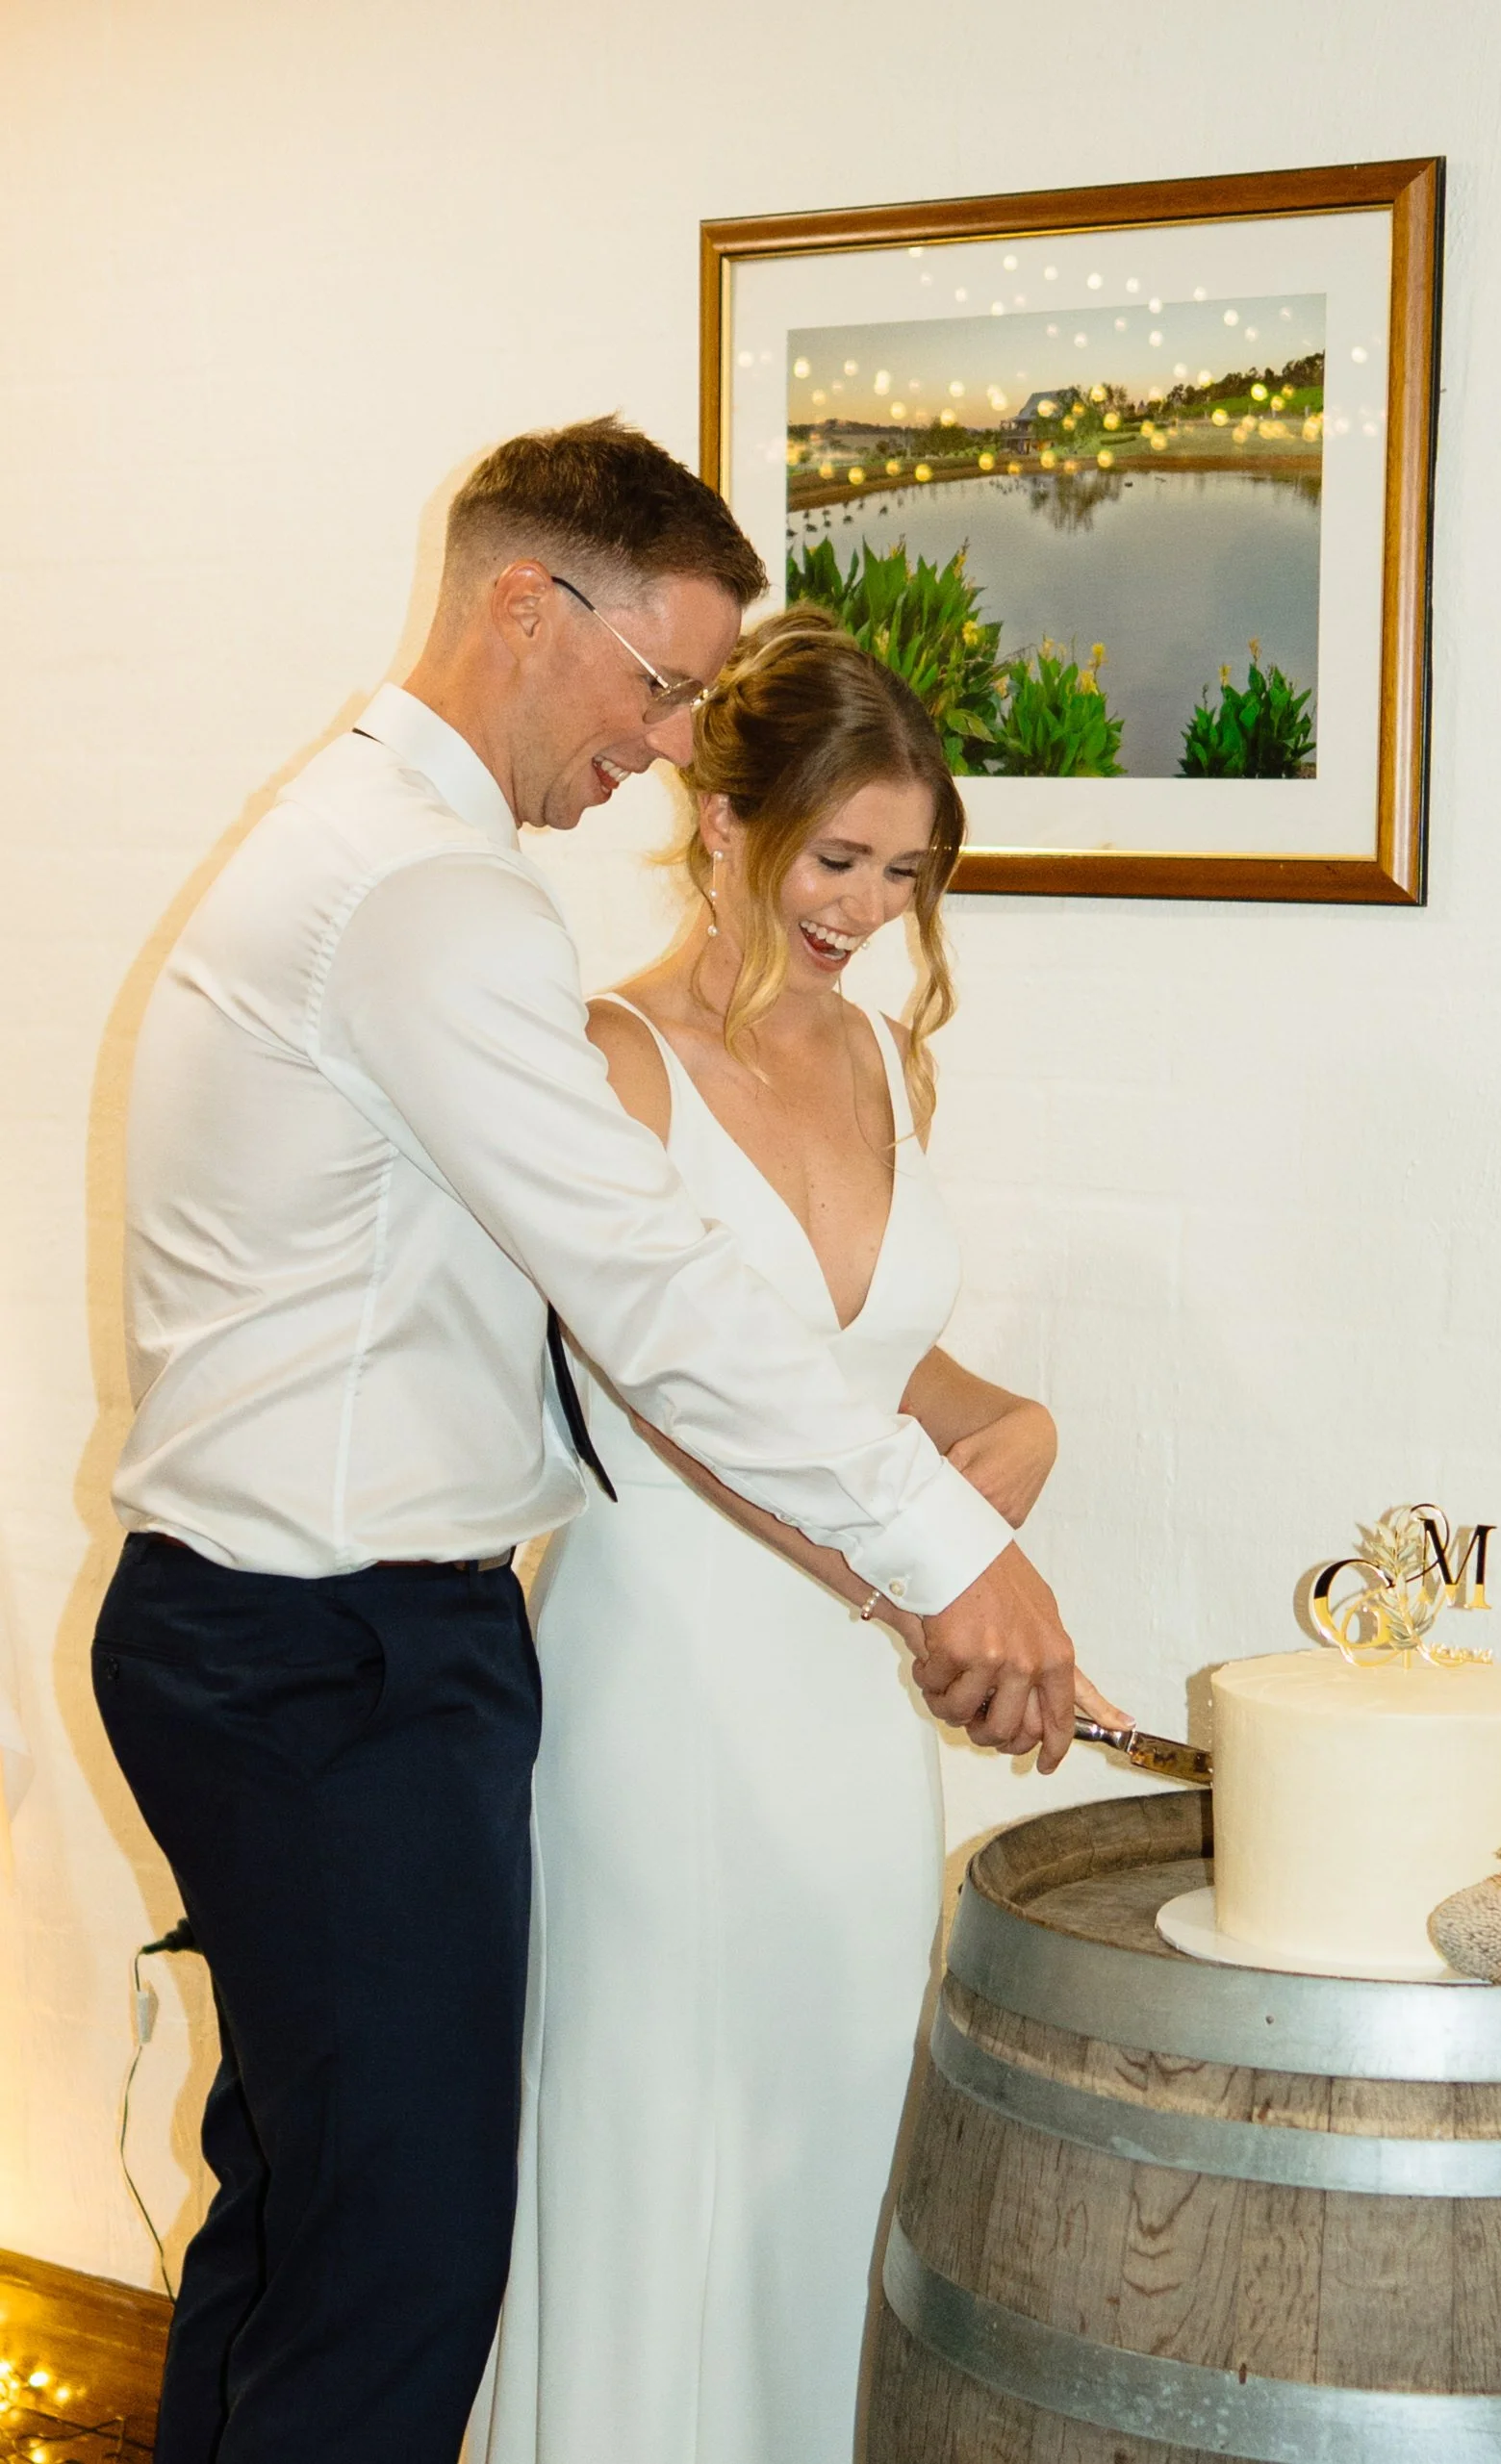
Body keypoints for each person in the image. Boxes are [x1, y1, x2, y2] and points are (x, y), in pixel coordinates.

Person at [90, 420, 1107, 2464]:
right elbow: (654, 1294)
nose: (659, 747)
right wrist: (941, 1549)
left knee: (299, 2223)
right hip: (335, 1658)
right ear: (519, 606)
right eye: (655, 684)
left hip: (284, 1633)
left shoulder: (363, 847)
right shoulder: (423, 902)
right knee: (398, 2266)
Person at [472, 609, 1101, 2464]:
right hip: (656, 1685)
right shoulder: (606, 1059)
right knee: (653, 2147)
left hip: (845, 1711)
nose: (868, 908)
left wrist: (1018, 1427)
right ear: (723, 815)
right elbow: (676, 1395)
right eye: (840, 858)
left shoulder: (886, 1063)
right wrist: (938, 1582)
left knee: (828, 2144)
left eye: (906, 873)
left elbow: (867, 1370)